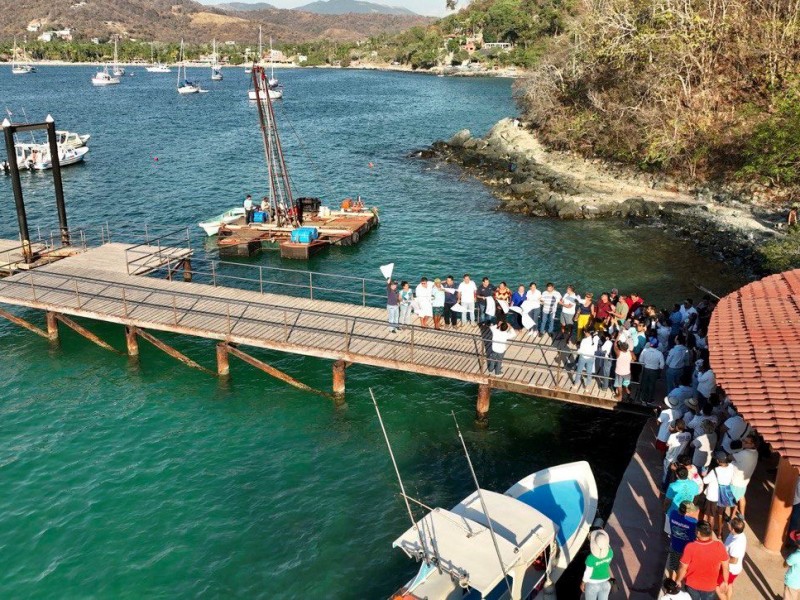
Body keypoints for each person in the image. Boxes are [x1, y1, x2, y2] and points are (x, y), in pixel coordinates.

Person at [676, 520, 730, 600]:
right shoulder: (719, 546)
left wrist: (678, 580)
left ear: (698, 533)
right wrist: (725, 581)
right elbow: (726, 566)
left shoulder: (690, 547)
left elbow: (683, 567)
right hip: (710, 586)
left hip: (692, 584)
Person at [703, 451, 737, 536]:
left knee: (711, 515)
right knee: (721, 515)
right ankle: (719, 534)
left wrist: (704, 474)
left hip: (712, 497)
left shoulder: (715, 471)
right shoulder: (732, 467)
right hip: (723, 496)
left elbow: (705, 480)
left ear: (718, 461)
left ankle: (710, 533)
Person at [667, 501, 700, 578]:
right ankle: (678, 581)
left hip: (675, 546)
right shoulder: (693, 522)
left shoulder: (673, 514)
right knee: (682, 568)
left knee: (672, 566)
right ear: (687, 513)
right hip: (686, 550)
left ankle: (671, 580)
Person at [664, 466, 699, 533]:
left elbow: (667, 501)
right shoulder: (694, 484)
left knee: (671, 531)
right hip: (688, 512)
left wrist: (665, 510)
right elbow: (696, 497)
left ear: (677, 475)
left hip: (673, 512)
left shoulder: (672, 486)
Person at [730, 435, 758, 518]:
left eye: (746, 442)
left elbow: (731, 457)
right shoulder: (755, 452)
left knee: (733, 501)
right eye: (743, 441)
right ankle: (742, 515)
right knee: (741, 496)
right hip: (744, 481)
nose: (743, 443)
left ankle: (731, 517)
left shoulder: (744, 453)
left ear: (753, 444)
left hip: (736, 481)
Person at [580, 529, 613, 600]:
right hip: (606, 583)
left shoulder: (590, 558)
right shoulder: (610, 553)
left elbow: (588, 572)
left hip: (592, 585)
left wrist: (583, 582)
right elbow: (606, 545)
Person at [720, 516, 747, 600]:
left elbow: (734, 560)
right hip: (733, 569)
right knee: (729, 584)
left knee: (718, 587)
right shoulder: (736, 534)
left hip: (730, 569)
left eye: (730, 524)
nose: (728, 524)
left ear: (733, 529)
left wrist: (721, 560)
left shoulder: (737, 543)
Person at [639, 337, 665, 403]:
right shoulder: (659, 353)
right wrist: (658, 367)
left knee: (644, 384)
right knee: (652, 385)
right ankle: (649, 399)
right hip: (654, 371)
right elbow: (662, 365)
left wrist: (645, 365)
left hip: (645, 369)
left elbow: (640, 360)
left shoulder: (644, 351)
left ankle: (642, 398)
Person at [785, 531, 800, 600]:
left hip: (792, 583)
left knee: (789, 597)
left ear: (796, 543)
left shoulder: (795, 556)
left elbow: (785, 564)